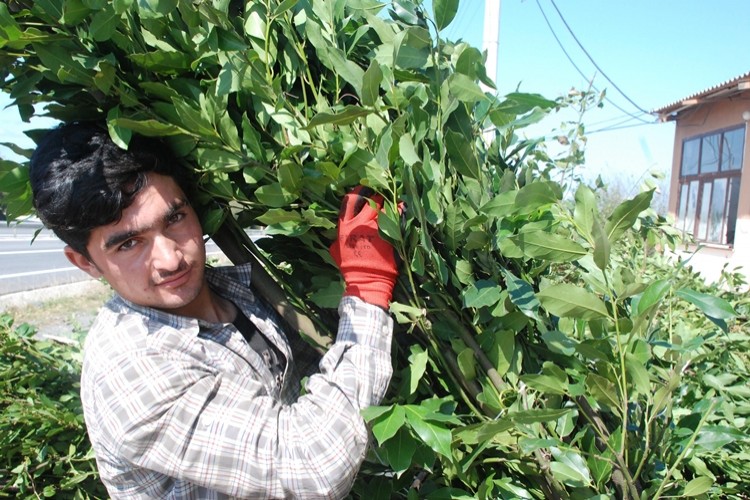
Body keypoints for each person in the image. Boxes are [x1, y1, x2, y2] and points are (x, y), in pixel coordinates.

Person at [29, 122, 400, 499]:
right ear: (85, 262)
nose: (171, 259)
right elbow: (312, 463)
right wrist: (367, 289)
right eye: (128, 245)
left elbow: (312, 368)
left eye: (174, 219)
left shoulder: (229, 290)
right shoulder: (132, 369)